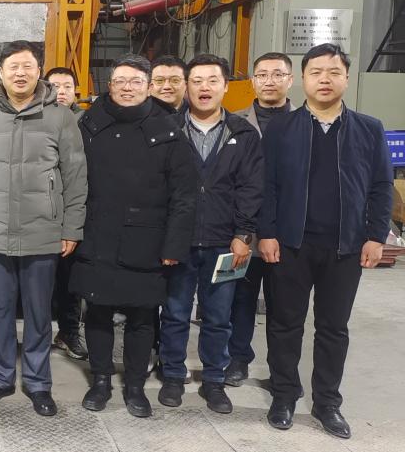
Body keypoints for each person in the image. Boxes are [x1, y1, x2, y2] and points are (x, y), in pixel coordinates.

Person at [259, 43, 393, 439]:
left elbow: (381, 186)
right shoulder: (281, 128)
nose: (325, 79)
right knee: (285, 324)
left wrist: (375, 236)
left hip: (345, 247)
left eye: (334, 72)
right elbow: (267, 186)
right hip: (291, 243)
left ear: (346, 79)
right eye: (316, 72)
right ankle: (284, 395)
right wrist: (267, 232)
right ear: (302, 79)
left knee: (334, 327)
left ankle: (327, 403)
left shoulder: (369, 128)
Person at [71, 53, 198, 419]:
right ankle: (100, 380)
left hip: (147, 239)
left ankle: (135, 386)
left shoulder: (168, 128)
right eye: (120, 81)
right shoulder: (89, 123)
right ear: (109, 85)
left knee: (142, 317)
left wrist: (174, 245)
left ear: (149, 86)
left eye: (136, 82)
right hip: (97, 233)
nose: (127, 88)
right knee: (97, 311)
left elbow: (185, 195)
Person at [0, 40, 87, 417]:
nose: (20, 73)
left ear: (39, 72)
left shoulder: (60, 117)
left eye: (27, 67)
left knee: (38, 312)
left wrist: (71, 228)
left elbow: (75, 176)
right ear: (0, 73)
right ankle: (0, 377)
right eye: (13, 67)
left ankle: (38, 383)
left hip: (43, 230)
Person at [157, 54, 263, 414]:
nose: (204, 88)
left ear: (225, 87)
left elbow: (251, 187)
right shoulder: (168, 129)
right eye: (197, 81)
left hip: (225, 242)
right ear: (186, 87)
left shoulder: (243, 133)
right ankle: (173, 375)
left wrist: (244, 233)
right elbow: (158, 185)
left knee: (218, 316)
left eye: (212, 80)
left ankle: (214, 381)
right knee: (174, 313)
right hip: (179, 241)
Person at [224, 51, 295, 387]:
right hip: (241, 231)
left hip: (286, 232)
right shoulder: (233, 123)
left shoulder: (304, 124)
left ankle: (281, 370)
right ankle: (238, 359)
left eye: (277, 74)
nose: (270, 81)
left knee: (284, 305)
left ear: (290, 80)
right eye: (262, 75)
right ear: (253, 81)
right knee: (239, 299)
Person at [42, 66, 88, 361]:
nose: (60, 91)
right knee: (41, 280)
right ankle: (39, 334)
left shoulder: (88, 122)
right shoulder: (37, 118)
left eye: (67, 86)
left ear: (76, 91)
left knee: (71, 279)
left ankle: (69, 331)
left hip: (74, 209)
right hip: (43, 212)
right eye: (54, 86)